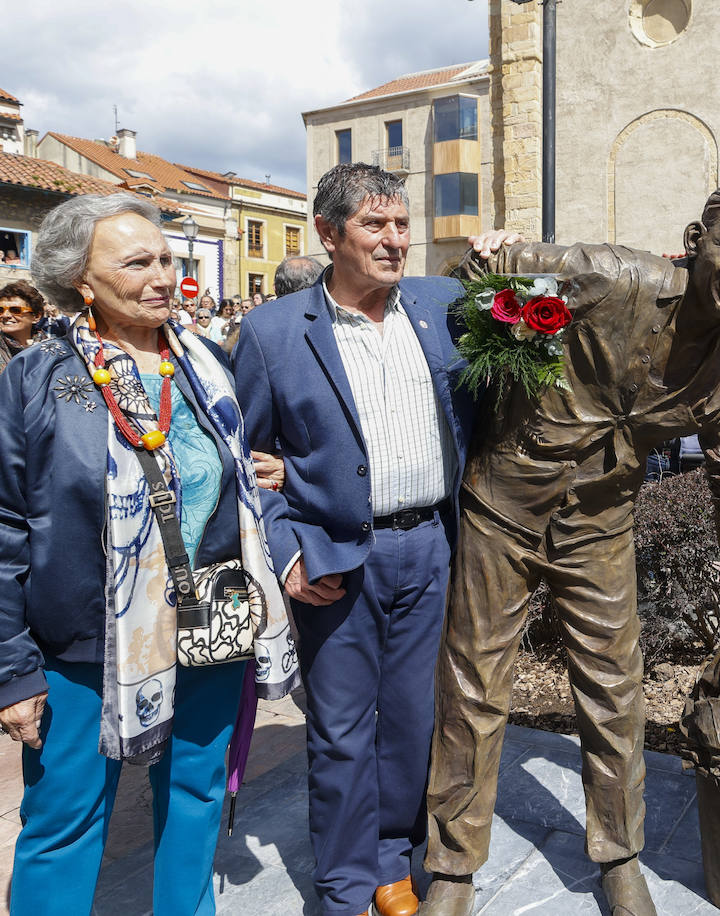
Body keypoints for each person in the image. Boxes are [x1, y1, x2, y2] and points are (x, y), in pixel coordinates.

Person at [422, 178, 720, 916]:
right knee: (474, 684)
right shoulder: (612, 275)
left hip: (599, 524)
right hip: (505, 503)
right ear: (695, 241)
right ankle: (454, 868)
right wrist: (492, 256)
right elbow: (478, 278)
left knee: (616, 689)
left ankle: (619, 856)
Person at [0, 192, 297, 914]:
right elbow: (5, 525)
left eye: (166, 258)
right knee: (67, 821)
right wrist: (12, 668)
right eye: (138, 262)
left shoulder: (205, 364)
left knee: (195, 795)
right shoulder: (37, 379)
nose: (163, 274)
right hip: (85, 646)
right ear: (82, 279)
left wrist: (260, 472)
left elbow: (223, 468)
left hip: (209, 622)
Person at [233, 163, 476, 916]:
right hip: (335, 561)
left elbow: (543, 313)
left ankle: (389, 863)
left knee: (410, 722)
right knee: (340, 732)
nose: (395, 240)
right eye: (376, 226)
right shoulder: (273, 332)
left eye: (402, 225)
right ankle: (341, 889)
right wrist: (288, 549)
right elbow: (245, 464)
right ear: (330, 235)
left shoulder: (444, 304)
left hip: (431, 547)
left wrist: (509, 254)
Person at [0, 279, 48, 371]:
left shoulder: (53, 351)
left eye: (16, 310)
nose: (5, 315)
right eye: (0, 310)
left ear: (36, 316)